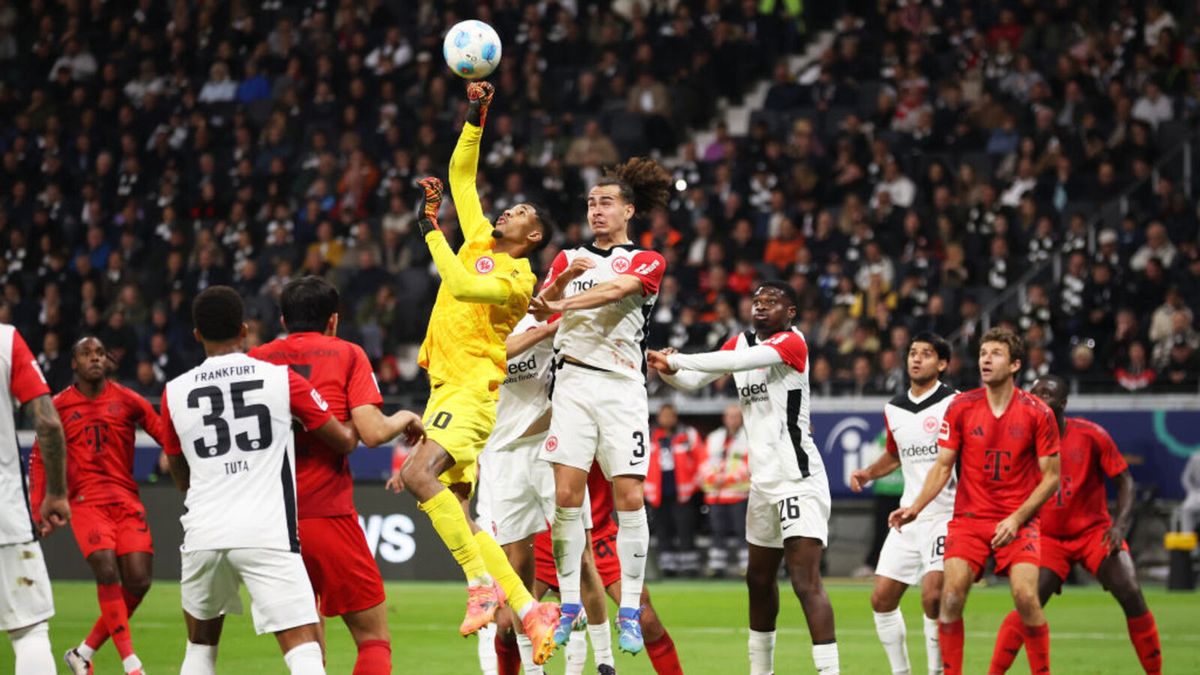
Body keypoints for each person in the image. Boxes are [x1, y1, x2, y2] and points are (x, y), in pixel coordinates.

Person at [391, 81, 560, 663]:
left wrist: (431, 232)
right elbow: (462, 176)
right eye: (508, 207)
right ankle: (532, 612)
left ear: (532, 237)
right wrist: (476, 113)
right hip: (449, 387)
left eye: (521, 214)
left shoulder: (517, 279)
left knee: (418, 477)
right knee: (461, 514)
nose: (507, 211)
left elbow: (461, 285)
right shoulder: (482, 241)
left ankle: (480, 587)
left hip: (471, 391)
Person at [161, 286, 357, 674]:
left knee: (199, 649)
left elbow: (180, 476)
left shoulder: (173, 393)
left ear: (197, 334)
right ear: (245, 330)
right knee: (303, 650)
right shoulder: (281, 380)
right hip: (267, 534)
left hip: (203, 533)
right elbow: (344, 440)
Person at [648, 281, 840, 675]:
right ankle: (761, 670)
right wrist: (668, 369)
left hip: (797, 478)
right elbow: (694, 381)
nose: (761, 307)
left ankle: (829, 671)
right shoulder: (740, 342)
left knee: (805, 582)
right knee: (757, 579)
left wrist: (681, 358)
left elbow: (727, 365)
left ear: (791, 312)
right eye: (756, 301)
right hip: (762, 483)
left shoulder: (792, 343)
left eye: (772, 302)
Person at [528, 155, 672, 654]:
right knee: (566, 496)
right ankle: (570, 605)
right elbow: (538, 307)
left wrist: (563, 301)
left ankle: (628, 609)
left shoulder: (646, 260)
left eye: (607, 202)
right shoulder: (567, 257)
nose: (596, 210)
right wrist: (564, 281)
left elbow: (616, 290)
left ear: (629, 211)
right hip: (571, 386)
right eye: (591, 203)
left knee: (629, 497)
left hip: (620, 388)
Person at [249, 276, 425, 674]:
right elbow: (374, 433)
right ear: (333, 320)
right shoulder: (347, 354)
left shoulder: (257, 358)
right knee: (373, 640)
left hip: (266, 521)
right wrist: (406, 416)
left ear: (282, 319)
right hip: (325, 513)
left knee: (307, 654)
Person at [889, 328, 1061, 675]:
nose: (986, 359)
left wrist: (1015, 519)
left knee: (1026, 598)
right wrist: (915, 507)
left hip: (1018, 519)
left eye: (996, 354)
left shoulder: (1038, 412)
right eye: (983, 353)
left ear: (1014, 365)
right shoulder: (961, 407)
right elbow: (942, 466)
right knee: (950, 598)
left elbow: (1052, 478)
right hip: (969, 518)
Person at [989, 376, 1162, 674]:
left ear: (1063, 404)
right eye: (1035, 393)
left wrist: (1119, 525)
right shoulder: (1018, 441)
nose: (1040, 398)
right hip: (1047, 537)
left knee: (1131, 591)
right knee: (1028, 602)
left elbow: (1124, 481)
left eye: (1048, 394)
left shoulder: (1091, 435)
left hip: (1092, 532)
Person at [29, 337, 165, 675]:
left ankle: (82, 653)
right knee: (106, 570)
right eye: (87, 354)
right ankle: (132, 665)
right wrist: (38, 507)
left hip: (126, 500)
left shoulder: (128, 400)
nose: (95, 359)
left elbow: (165, 432)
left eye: (100, 353)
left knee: (138, 581)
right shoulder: (58, 405)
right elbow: (39, 458)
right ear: (74, 363)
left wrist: (181, 456)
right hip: (86, 503)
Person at [849, 332, 958, 675]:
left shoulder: (957, 403)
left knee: (932, 597)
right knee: (881, 598)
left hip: (945, 514)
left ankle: (936, 671)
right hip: (907, 515)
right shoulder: (893, 407)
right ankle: (901, 672)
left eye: (926, 354)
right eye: (913, 353)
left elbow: (950, 461)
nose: (917, 359)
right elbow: (896, 454)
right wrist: (869, 472)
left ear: (942, 364)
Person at [529, 465, 685, 675]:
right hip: (545, 534)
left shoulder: (607, 431)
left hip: (599, 533)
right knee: (506, 624)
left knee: (646, 620)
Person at [0, 321, 69, 674]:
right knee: (28, 630)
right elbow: (48, 422)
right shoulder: (6, 340)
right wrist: (56, 493)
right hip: (4, 516)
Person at [646, 403, 706, 577]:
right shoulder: (649, 435)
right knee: (663, 529)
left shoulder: (687, 434)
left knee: (685, 529)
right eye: (664, 416)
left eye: (670, 415)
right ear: (659, 417)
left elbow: (701, 459)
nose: (667, 419)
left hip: (683, 492)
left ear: (675, 417)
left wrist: (696, 483)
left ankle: (689, 566)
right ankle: (668, 566)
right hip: (658, 492)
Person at [700, 404, 750, 578]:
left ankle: (747, 566)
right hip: (716, 495)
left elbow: (749, 464)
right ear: (724, 418)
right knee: (716, 531)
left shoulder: (749, 437)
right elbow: (704, 462)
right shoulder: (714, 437)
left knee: (742, 531)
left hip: (738, 495)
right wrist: (714, 478)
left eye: (736, 416)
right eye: (730, 416)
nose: (733, 419)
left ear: (742, 418)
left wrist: (727, 479)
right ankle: (716, 566)